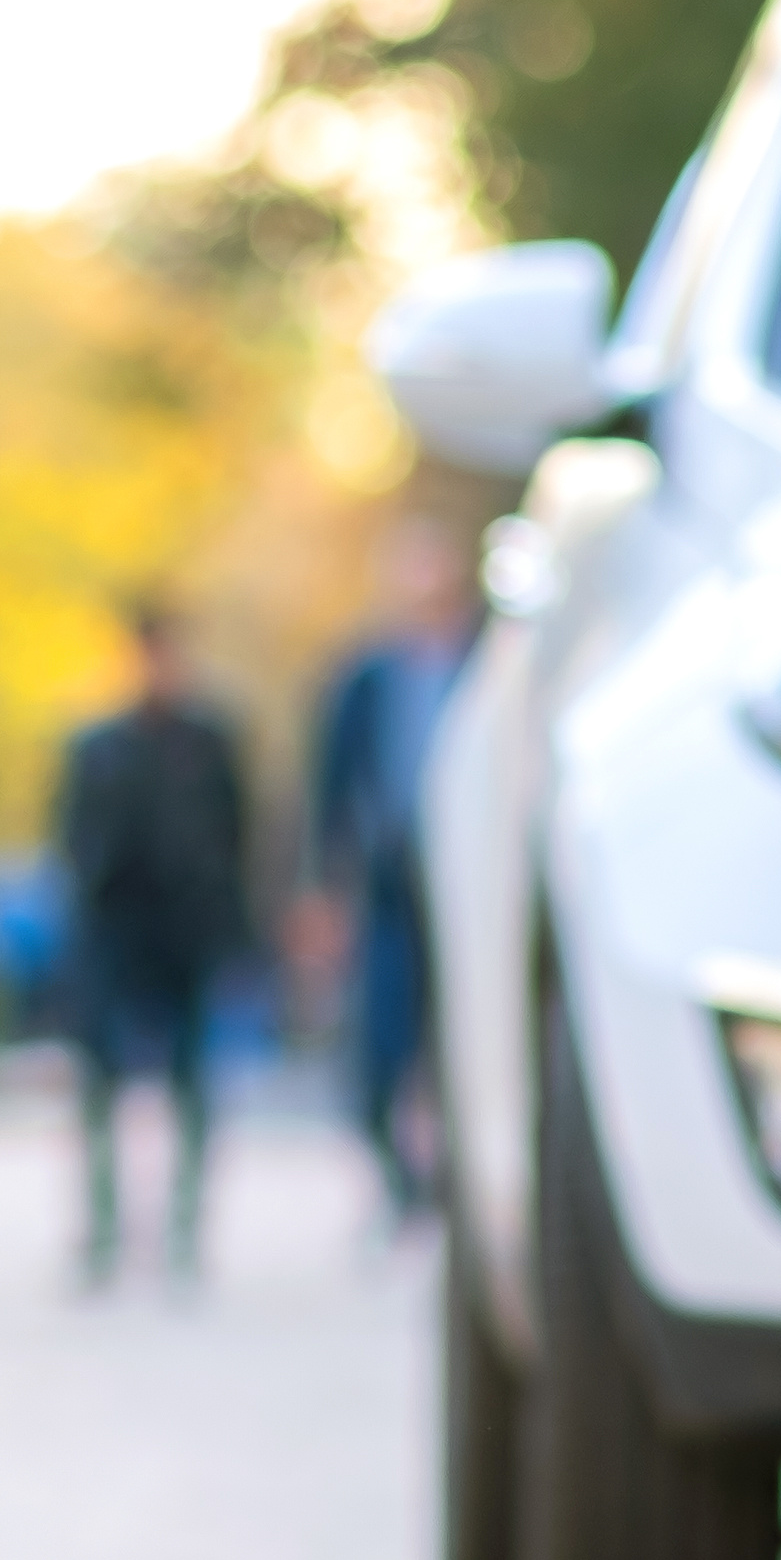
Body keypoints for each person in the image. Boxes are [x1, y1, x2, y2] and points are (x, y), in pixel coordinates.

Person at [54, 605, 250, 1284]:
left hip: (187, 930)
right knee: (99, 1081)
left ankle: (184, 1228)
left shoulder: (210, 741)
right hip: (115, 927)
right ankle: (105, 1228)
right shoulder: (97, 746)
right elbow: (71, 841)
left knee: (192, 1082)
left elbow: (239, 834)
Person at [303, 514, 477, 1221]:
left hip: (465, 884)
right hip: (388, 883)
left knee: (457, 1034)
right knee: (379, 1041)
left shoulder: (480, 666)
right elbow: (331, 790)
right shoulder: (367, 676)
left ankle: (456, 1180)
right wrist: (321, 890)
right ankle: (396, 1177)